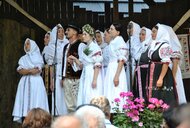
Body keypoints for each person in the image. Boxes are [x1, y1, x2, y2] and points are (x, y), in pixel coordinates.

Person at [12, 38, 49, 123]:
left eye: (28, 44)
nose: (26, 45)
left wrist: (27, 70)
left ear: (32, 45)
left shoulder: (38, 57)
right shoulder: (23, 58)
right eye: (25, 44)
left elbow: (37, 70)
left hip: (36, 83)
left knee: (36, 102)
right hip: (24, 84)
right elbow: (20, 71)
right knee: (24, 104)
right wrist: (29, 70)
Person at [68, 24, 103, 106]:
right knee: (85, 94)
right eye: (83, 34)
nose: (83, 36)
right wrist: (74, 59)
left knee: (91, 94)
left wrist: (94, 80)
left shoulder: (95, 47)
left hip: (92, 73)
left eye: (85, 34)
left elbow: (97, 64)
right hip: (86, 73)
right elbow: (82, 64)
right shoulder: (87, 48)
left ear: (91, 35)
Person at [147, 23, 178, 107]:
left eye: (154, 32)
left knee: (162, 95)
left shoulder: (165, 45)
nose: (151, 33)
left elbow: (166, 63)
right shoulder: (154, 44)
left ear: (160, 33)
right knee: (154, 93)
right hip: (153, 73)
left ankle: (165, 116)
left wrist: (160, 78)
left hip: (161, 74)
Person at [104, 23, 128, 112]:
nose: (109, 31)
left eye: (111, 29)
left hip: (116, 69)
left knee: (116, 91)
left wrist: (117, 76)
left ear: (118, 32)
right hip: (111, 69)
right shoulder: (113, 42)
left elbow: (121, 60)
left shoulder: (119, 42)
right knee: (110, 91)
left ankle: (117, 111)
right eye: (109, 29)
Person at [45, 24, 68, 115]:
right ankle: (58, 115)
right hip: (57, 70)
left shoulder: (67, 43)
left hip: (66, 70)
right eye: (59, 31)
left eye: (63, 31)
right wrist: (51, 81)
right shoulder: (52, 46)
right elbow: (51, 65)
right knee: (58, 94)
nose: (61, 33)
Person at [162, 24, 187, 104]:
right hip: (165, 72)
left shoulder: (174, 46)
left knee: (175, 92)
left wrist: (172, 78)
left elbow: (175, 63)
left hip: (172, 72)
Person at [61, 24, 83, 113]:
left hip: (76, 79)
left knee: (76, 103)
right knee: (69, 105)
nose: (66, 32)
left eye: (68, 30)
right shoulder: (65, 46)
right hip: (67, 78)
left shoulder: (81, 45)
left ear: (75, 32)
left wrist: (75, 61)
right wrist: (63, 77)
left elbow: (83, 62)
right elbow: (64, 63)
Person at [134, 27, 151, 100]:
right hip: (140, 72)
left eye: (143, 34)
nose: (140, 36)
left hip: (146, 72)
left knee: (145, 89)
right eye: (140, 34)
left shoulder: (150, 46)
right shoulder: (140, 46)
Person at [126, 21, 141, 90]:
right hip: (128, 65)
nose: (129, 30)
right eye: (128, 28)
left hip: (134, 65)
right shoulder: (128, 41)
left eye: (131, 28)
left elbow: (136, 54)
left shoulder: (138, 39)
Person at [42, 31, 52, 112]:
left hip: (49, 73)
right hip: (45, 72)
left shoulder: (50, 48)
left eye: (47, 37)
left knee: (49, 92)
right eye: (44, 37)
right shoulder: (45, 48)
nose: (44, 39)